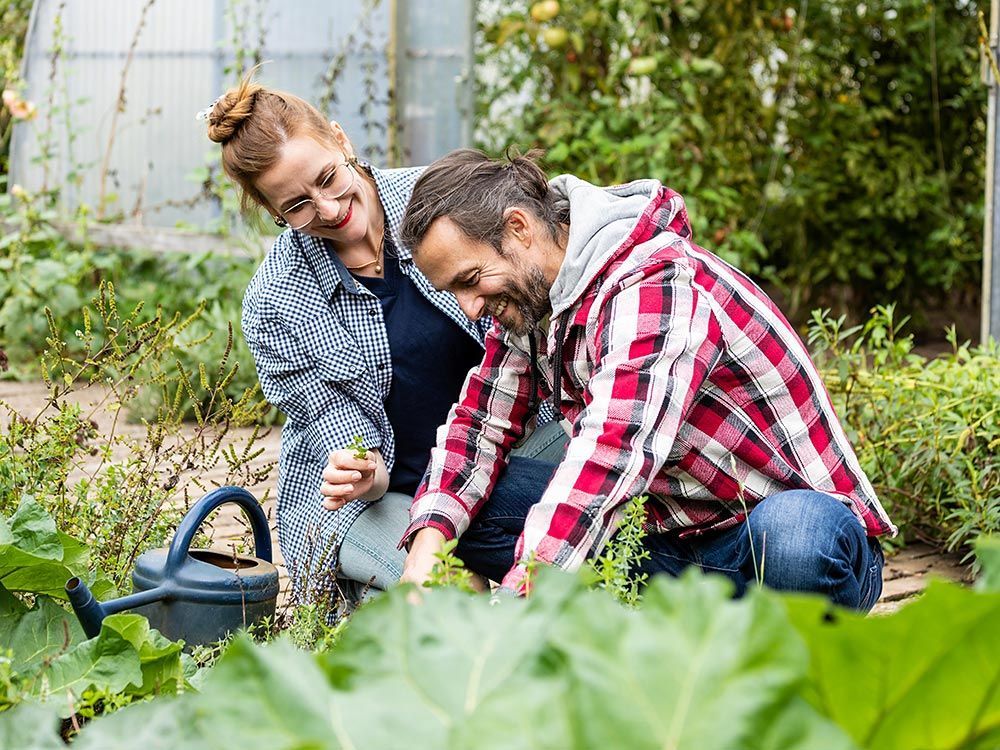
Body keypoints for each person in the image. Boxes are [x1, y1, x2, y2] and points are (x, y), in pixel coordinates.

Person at [395, 149, 897, 611]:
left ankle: (770, 656)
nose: (468, 307)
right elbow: (476, 428)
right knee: (474, 509)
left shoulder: (652, 282)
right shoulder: (531, 298)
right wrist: (424, 561)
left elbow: (613, 448)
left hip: (764, 542)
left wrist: (517, 608)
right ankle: (662, 638)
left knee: (798, 538)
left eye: (468, 279)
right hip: (670, 542)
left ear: (519, 228)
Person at [203, 79, 565, 606]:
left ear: (341, 139)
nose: (327, 209)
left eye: (328, 178)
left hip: (503, 450)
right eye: (297, 205)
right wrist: (363, 472)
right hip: (382, 499)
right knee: (453, 597)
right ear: (273, 212)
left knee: (592, 527)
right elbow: (350, 447)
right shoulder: (277, 297)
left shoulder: (442, 204)